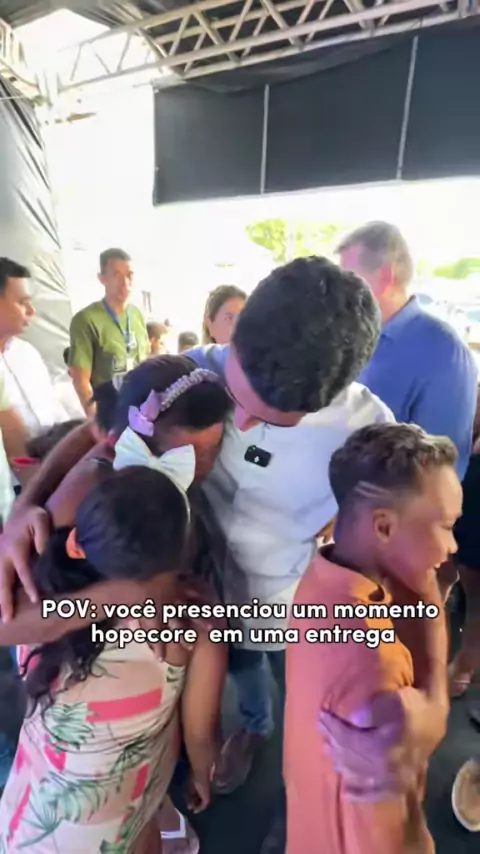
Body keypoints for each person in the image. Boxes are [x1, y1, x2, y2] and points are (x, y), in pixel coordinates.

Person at [0, 257, 395, 839]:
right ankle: (242, 740)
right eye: (239, 402)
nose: (245, 424)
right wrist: (24, 507)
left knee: (303, 713)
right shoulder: (189, 378)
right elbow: (99, 432)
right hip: (190, 594)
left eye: (272, 420)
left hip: (281, 607)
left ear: (324, 401)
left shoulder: (366, 435)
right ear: (234, 338)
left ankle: (290, 791)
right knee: (219, 692)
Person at [0, 466, 227, 852]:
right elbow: (201, 735)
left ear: (79, 543)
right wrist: (203, 775)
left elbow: (93, 459)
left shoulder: (39, 593)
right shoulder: (196, 623)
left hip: (29, 812)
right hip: (113, 821)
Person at [285, 422, 460, 854]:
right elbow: (386, 836)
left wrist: (436, 707)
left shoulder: (323, 574)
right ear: (383, 527)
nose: (453, 545)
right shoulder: (373, 664)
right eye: (445, 526)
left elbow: (426, 598)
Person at [338, 222, 478, 481]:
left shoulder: (444, 351)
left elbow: (440, 469)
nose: (340, 291)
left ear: (385, 276)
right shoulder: (352, 336)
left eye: (349, 278)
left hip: (388, 501)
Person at [68, 248, 149, 412]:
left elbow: (146, 363)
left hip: (140, 410)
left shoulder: (137, 315)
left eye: (129, 275)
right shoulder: (86, 319)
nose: (125, 283)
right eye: (117, 275)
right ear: (102, 278)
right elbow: (81, 380)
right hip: (109, 412)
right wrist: (95, 419)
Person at [0, 258, 68, 441]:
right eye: (23, 302)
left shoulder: (28, 353)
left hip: (55, 447)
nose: (32, 311)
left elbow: (55, 411)